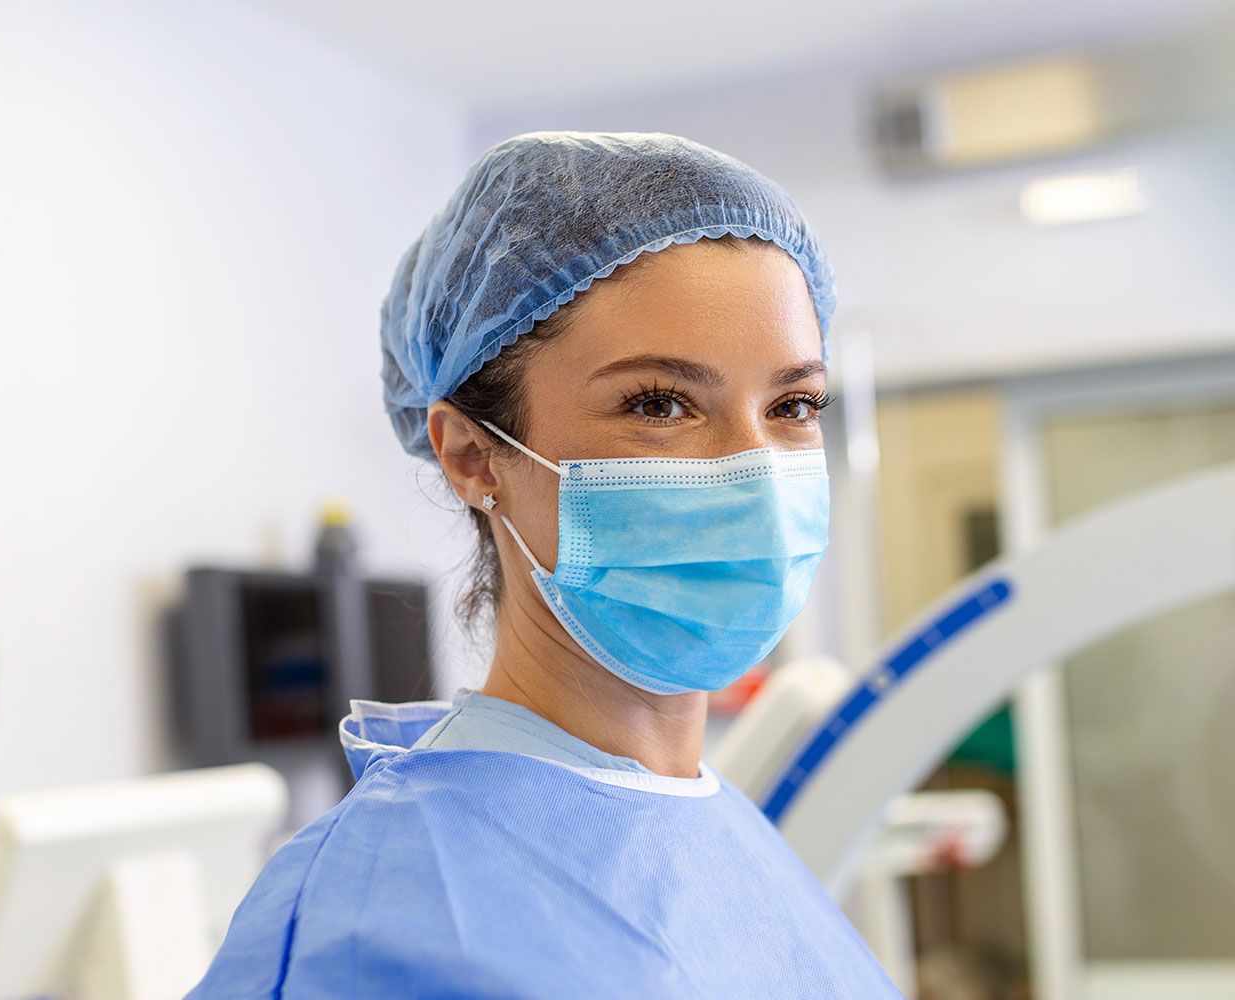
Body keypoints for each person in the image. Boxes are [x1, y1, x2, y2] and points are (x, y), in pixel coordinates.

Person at [190, 132, 899, 997]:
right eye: (660, 404)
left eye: (794, 404)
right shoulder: (387, 913)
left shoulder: (728, 831)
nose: (754, 471)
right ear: (472, 456)